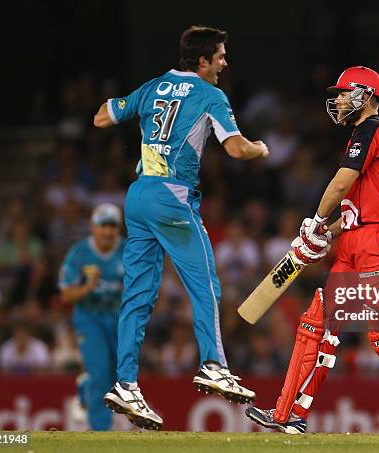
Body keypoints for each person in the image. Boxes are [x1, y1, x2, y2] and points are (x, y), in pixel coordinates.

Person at [246, 66, 379, 435]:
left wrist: (315, 220)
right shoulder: (363, 133)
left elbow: (340, 185)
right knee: (316, 325)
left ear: (366, 96)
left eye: (343, 93)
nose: (337, 100)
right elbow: (355, 211)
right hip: (359, 240)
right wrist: (326, 231)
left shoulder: (373, 129)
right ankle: (287, 414)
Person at [94, 25, 269, 430]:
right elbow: (236, 148)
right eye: (221, 56)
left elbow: (103, 116)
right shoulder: (211, 95)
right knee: (205, 283)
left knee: (137, 295)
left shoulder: (154, 86)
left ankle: (125, 384)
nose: (225, 63)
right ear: (203, 60)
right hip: (172, 198)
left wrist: (129, 110)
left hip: (137, 198)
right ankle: (213, 364)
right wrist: (261, 148)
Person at [59, 203, 125, 431]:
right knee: (99, 371)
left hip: (118, 319)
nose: (108, 232)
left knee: (118, 374)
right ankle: (100, 432)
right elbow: (66, 295)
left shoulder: (126, 251)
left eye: (112, 226)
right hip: (90, 318)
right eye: (103, 226)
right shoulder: (80, 253)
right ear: (92, 227)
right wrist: (88, 287)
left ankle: (83, 387)